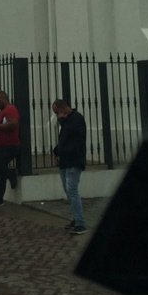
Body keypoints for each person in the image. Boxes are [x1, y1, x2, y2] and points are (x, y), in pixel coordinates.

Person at [52, 98, 87, 234]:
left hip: (74, 159)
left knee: (72, 190)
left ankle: (80, 223)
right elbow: (64, 139)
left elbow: (73, 137)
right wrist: (57, 151)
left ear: (63, 108)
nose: (57, 116)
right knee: (68, 191)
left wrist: (63, 120)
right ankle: (75, 218)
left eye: (57, 112)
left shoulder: (76, 119)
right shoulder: (66, 121)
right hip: (65, 160)